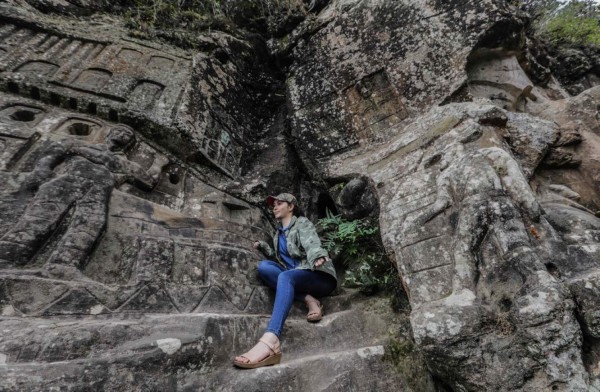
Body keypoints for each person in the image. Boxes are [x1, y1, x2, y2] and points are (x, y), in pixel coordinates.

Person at [233, 193, 337, 369]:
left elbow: (311, 241)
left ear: (291, 207)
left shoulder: (302, 223)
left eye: (279, 203)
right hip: (294, 276)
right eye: (273, 204)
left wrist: (317, 255)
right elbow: (281, 259)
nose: (274, 206)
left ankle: (271, 339)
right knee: (264, 267)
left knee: (285, 277)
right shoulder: (277, 235)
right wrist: (264, 247)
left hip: (318, 275)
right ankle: (308, 299)